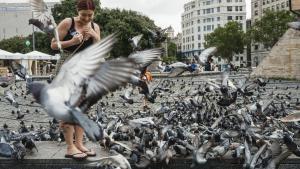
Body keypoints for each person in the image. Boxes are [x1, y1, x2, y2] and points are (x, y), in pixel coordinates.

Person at [50, 0, 100, 160]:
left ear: (94, 13)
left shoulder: (95, 26)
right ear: (77, 12)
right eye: (83, 15)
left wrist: (94, 36)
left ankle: (79, 144)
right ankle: (70, 147)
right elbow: (53, 45)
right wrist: (72, 42)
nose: (86, 18)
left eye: (90, 15)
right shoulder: (68, 22)